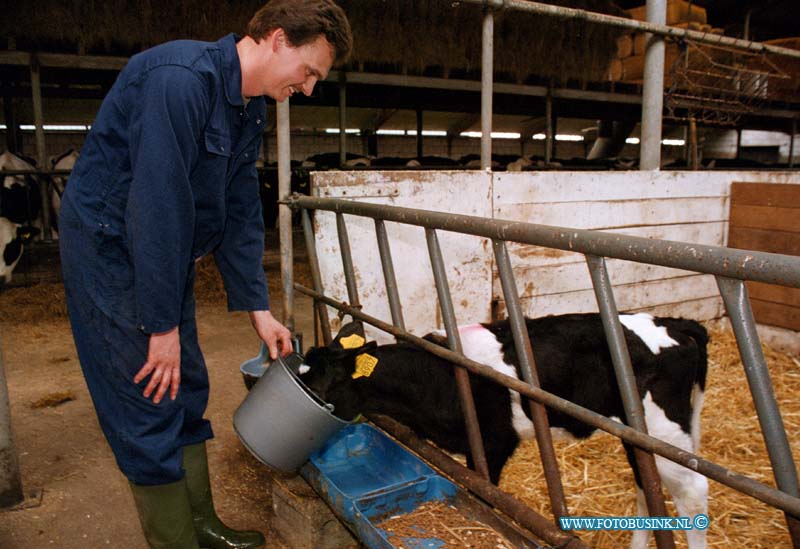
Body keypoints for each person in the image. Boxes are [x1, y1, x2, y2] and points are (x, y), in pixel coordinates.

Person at [58, 1, 353, 547]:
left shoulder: (248, 106)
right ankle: (176, 540)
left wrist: (259, 311)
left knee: (187, 382)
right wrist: (161, 326)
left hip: (163, 252)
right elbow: (157, 204)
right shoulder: (178, 81)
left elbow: (240, 210)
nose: (309, 88)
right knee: (149, 391)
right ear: (279, 40)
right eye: (309, 71)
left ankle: (202, 524)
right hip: (112, 249)